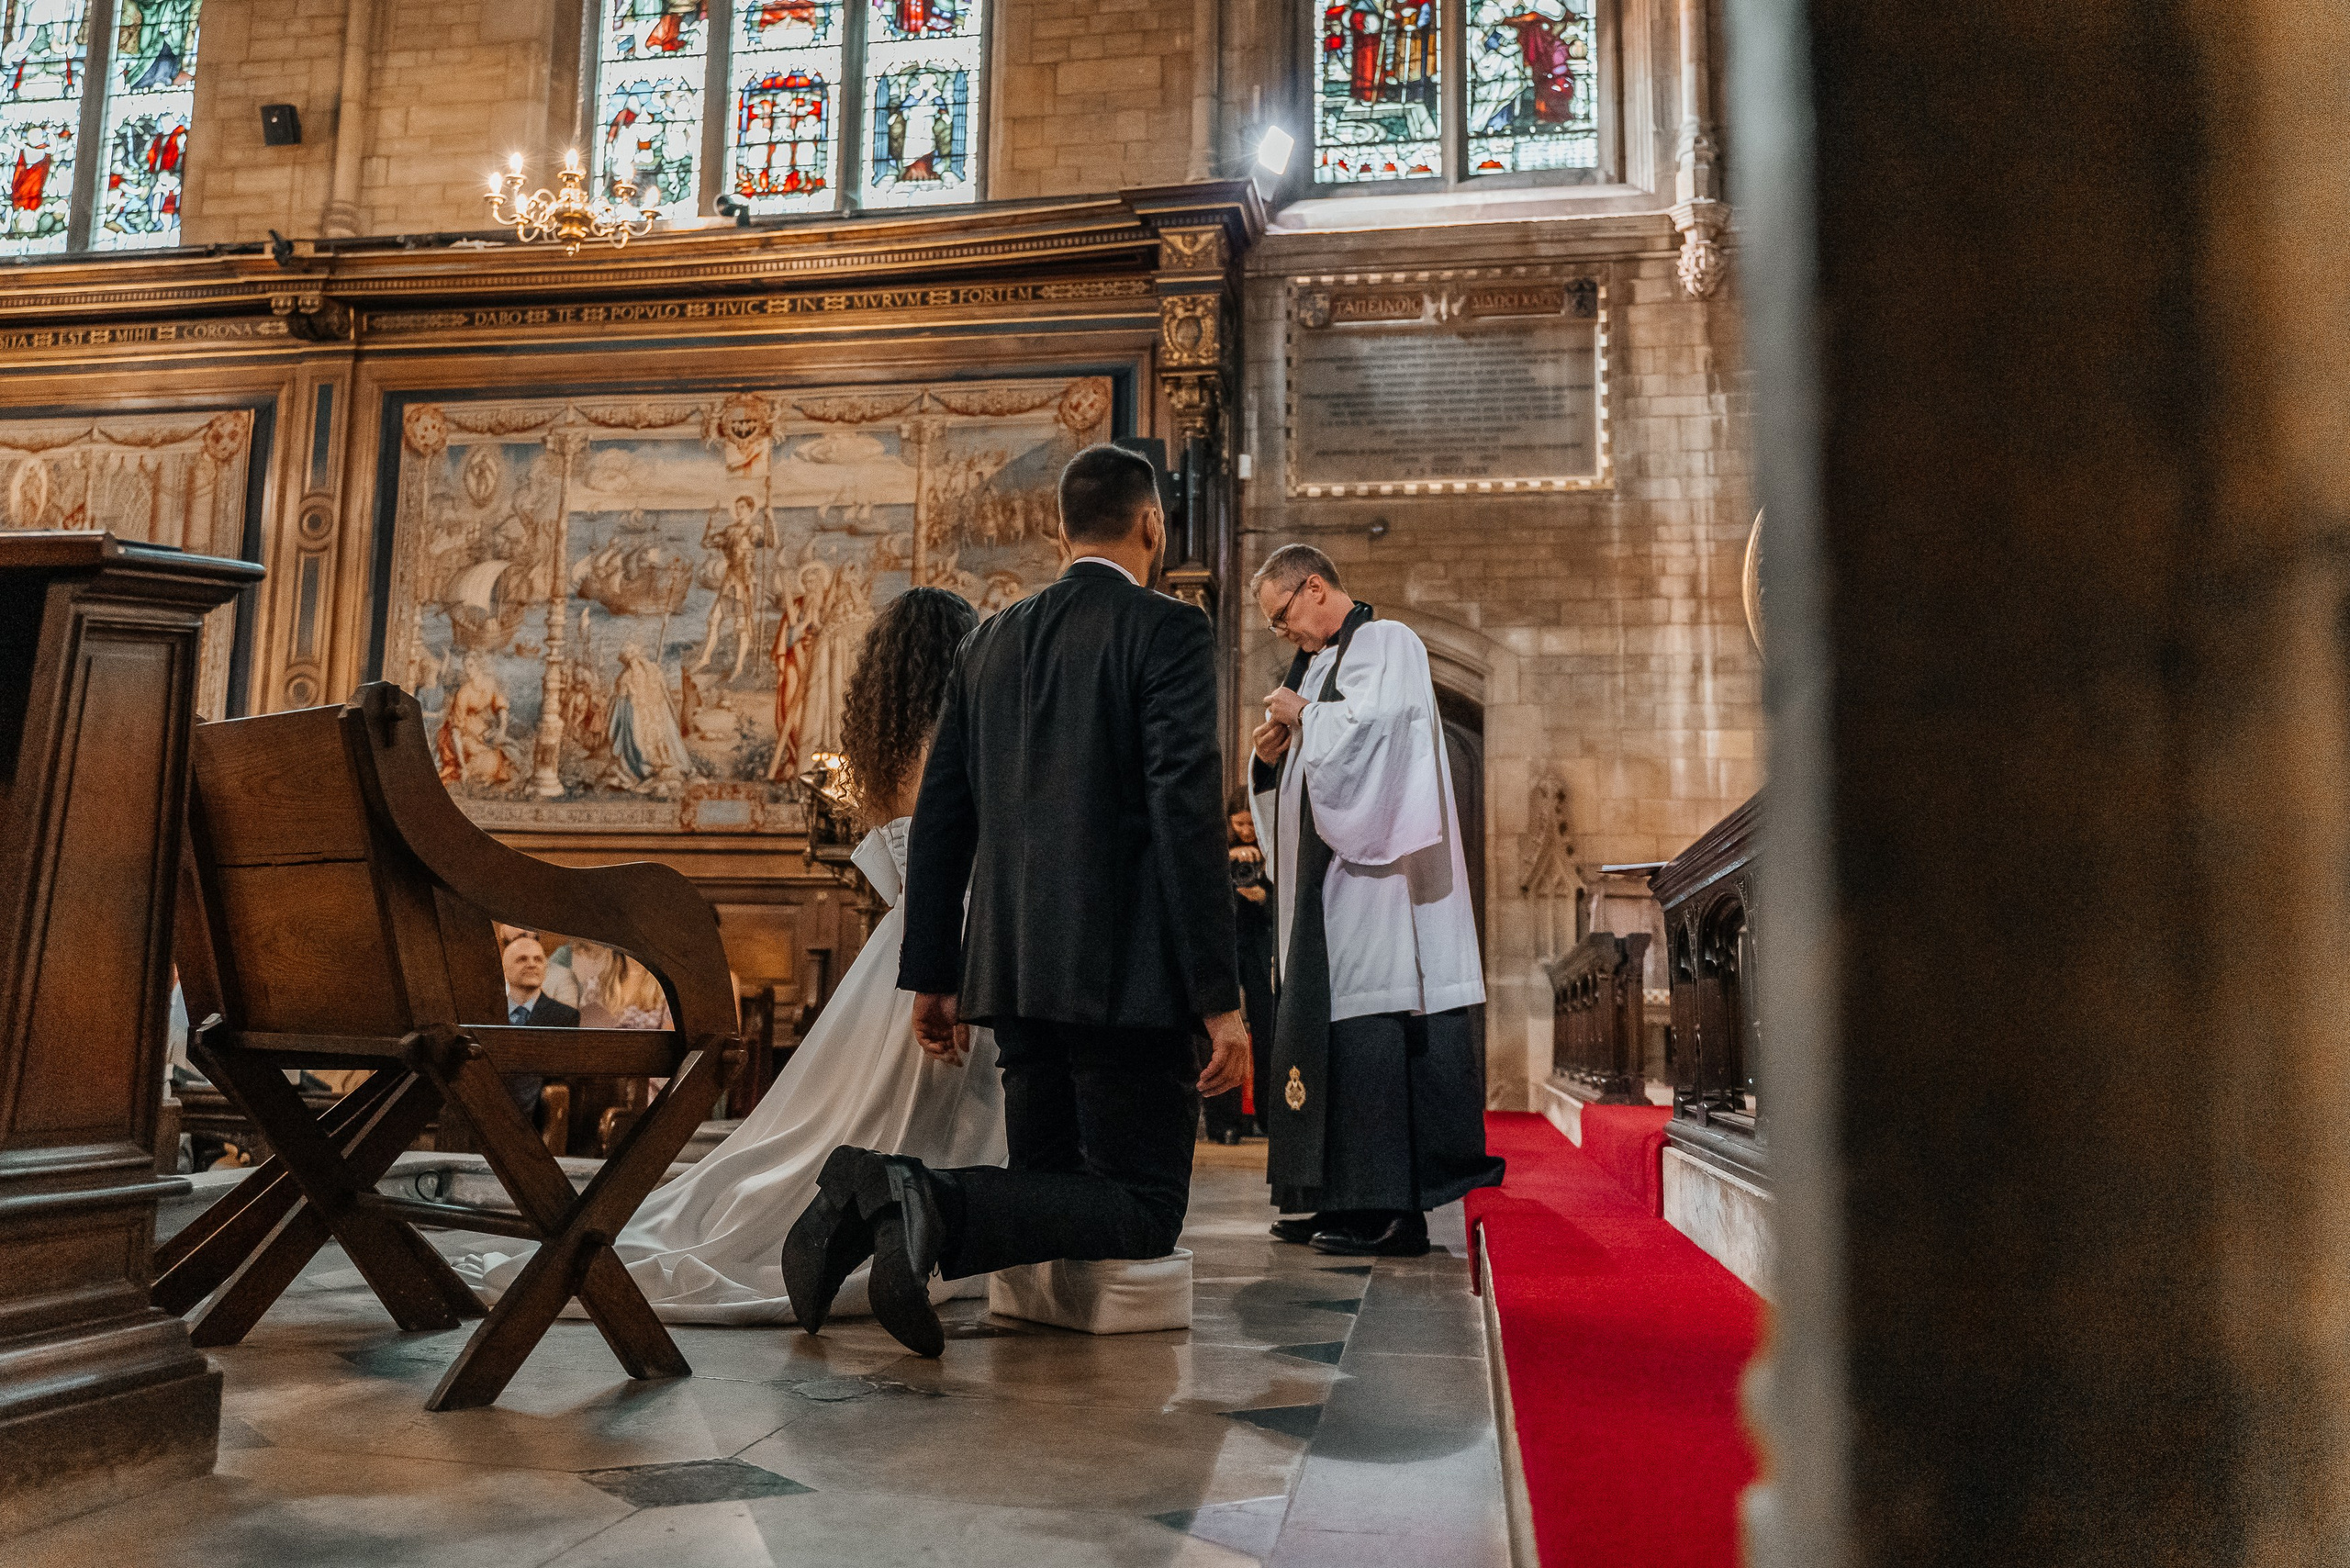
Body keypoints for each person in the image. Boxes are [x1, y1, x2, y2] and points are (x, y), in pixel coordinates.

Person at [783, 443, 1249, 1358]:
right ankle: (914, 1194)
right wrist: (1219, 996)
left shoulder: (988, 639)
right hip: (1127, 980)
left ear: (1057, 529)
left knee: (1053, 1191)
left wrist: (934, 975)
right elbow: (1183, 814)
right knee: (1141, 1207)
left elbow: (944, 816)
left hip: (1010, 968)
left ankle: (874, 1215)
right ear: (1151, 523)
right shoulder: (1168, 629)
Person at [455, 588, 1005, 1323]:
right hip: (955, 942)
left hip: (901, 947)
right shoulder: (962, 732)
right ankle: (920, 1224)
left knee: (844, 1120)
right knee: (929, 1113)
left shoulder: (896, 744)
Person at [1247, 543, 1504, 1257]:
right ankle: (1329, 1196)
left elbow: (1385, 736)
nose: (1284, 634)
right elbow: (1305, 775)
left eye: (1282, 617)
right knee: (1329, 1031)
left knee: (1370, 1029)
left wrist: (1307, 716)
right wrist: (1266, 762)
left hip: (1378, 887)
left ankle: (1390, 1210)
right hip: (1324, 893)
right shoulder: (1316, 665)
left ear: (1315, 587)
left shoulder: (1389, 642)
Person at [1229, 788, 1277, 1136]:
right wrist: (1228, 859)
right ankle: (1225, 1121)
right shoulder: (1220, 847)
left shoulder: (1273, 846)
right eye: (1239, 823)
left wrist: (1264, 895)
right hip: (1230, 943)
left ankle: (1268, 1115)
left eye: (1250, 823)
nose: (1246, 831)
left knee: (1266, 1029)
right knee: (1224, 1027)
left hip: (1260, 945)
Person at [498, 930, 576, 1126]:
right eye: (522, 959)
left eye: (538, 959)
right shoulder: (486, 1013)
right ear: (505, 969)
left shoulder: (565, 1016)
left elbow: (560, 1078)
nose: (532, 964)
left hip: (537, 1118)